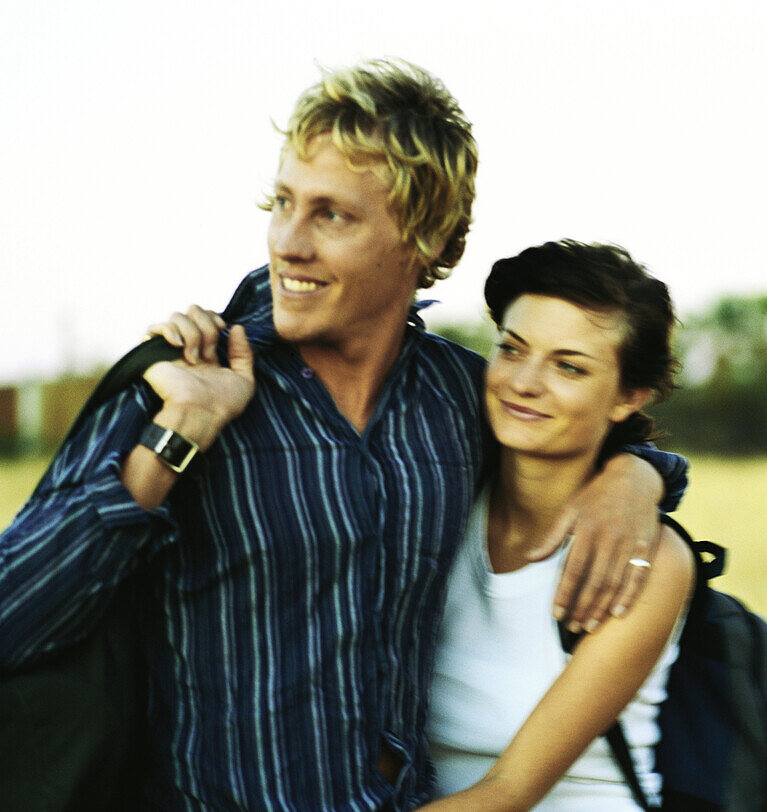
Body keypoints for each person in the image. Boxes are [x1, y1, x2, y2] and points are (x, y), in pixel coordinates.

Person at [0, 60, 687, 810]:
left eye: (332, 215)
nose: (288, 243)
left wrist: (638, 476)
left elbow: (567, 427)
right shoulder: (182, 379)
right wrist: (174, 438)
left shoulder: (457, 399)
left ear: (423, 240)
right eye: (283, 203)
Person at [423, 241, 695, 811]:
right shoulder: (439, 505)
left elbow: (510, 791)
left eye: (568, 366)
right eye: (511, 350)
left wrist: (637, 475)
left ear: (628, 397)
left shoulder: (650, 559)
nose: (524, 382)